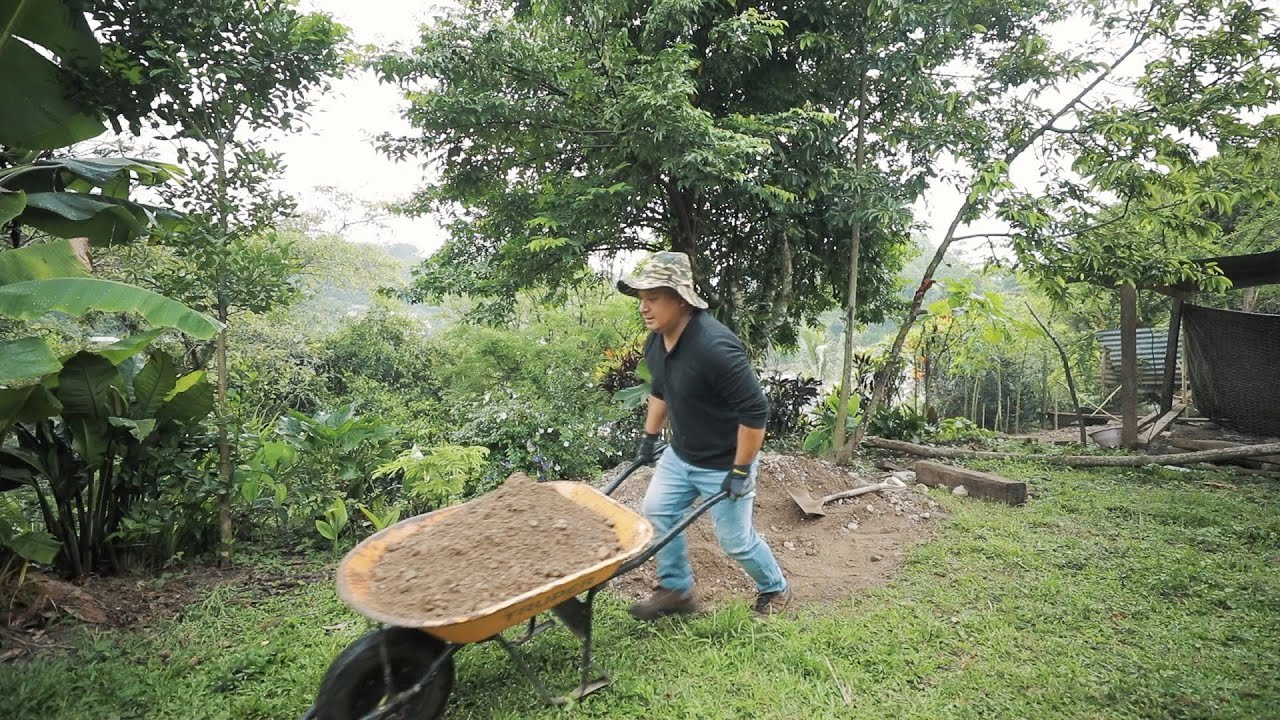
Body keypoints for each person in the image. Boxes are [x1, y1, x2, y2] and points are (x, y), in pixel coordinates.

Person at [617, 251, 789, 619]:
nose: (644, 308)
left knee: (735, 540)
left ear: (680, 299)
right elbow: (661, 390)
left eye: (654, 298)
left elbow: (755, 411)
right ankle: (676, 591)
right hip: (682, 454)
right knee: (658, 510)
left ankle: (775, 588)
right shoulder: (656, 340)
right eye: (642, 300)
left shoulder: (715, 347)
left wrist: (741, 470)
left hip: (725, 461)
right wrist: (649, 438)